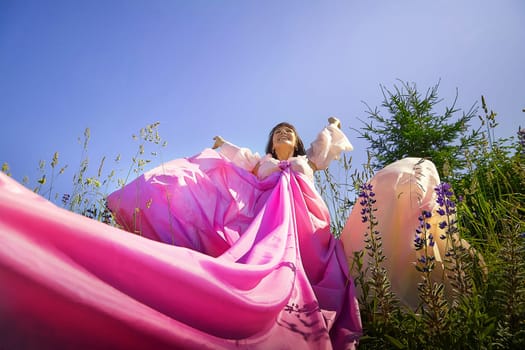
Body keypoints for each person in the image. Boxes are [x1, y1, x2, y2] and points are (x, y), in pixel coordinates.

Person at [0, 117, 362, 349]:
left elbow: (323, 148)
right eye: (278, 132)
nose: (283, 134)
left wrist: (332, 125)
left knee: (317, 264)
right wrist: (223, 144)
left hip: (302, 221)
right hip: (266, 224)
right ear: (270, 143)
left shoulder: (304, 162)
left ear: (296, 143)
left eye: (289, 132)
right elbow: (237, 158)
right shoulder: (261, 163)